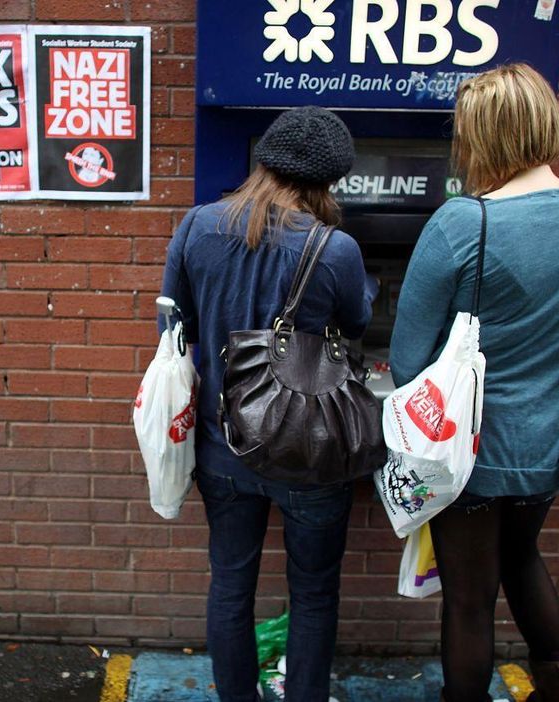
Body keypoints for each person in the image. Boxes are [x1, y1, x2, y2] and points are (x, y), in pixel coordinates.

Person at [388, 63, 559, 702]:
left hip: (472, 454)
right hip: (551, 441)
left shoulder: (464, 222)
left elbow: (408, 360)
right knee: (522, 559)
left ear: (482, 138)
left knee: (468, 601)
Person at [160, 106, 375, 702]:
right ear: (328, 180)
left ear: (265, 161)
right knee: (313, 593)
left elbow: (177, 323)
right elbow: (356, 323)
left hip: (223, 443)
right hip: (309, 448)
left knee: (230, 585)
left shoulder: (198, 226)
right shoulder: (336, 250)